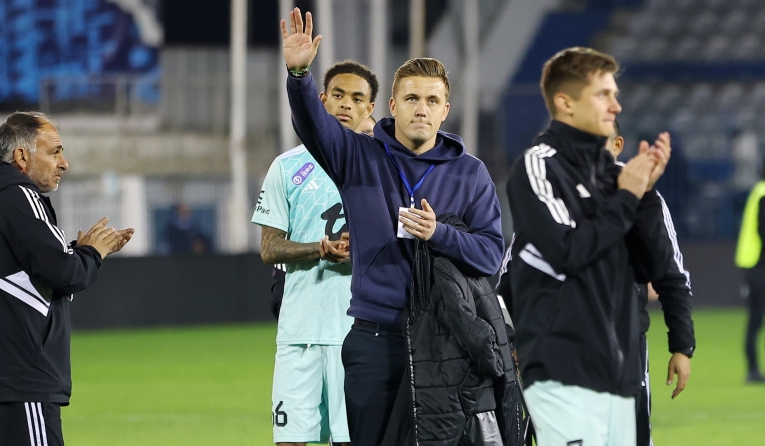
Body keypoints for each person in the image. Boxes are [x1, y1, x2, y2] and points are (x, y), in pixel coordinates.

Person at [279, 9, 505, 445]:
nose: (422, 109)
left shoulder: (470, 172)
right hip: (376, 339)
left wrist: (440, 234)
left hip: (446, 342)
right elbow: (313, 125)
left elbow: (491, 255)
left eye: (432, 101)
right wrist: (300, 75)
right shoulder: (357, 156)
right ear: (393, 105)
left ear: (445, 111)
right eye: (412, 98)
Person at [505, 47, 673, 445]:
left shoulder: (613, 177)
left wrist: (646, 195)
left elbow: (648, 266)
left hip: (617, 373)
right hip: (562, 372)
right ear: (565, 103)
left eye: (615, 94)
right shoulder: (538, 166)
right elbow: (567, 251)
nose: (616, 105)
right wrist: (628, 198)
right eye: (603, 94)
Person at [0, 111, 134, 445]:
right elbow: (62, 273)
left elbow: (21, 273)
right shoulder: (20, 196)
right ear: (22, 156)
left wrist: (77, 251)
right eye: (55, 152)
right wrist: (92, 253)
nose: (64, 163)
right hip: (21, 383)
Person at [252, 59, 380, 446]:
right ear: (322, 100)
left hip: (358, 333)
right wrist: (318, 251)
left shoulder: (383, 167)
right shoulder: (286, 166)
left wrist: (359, 254)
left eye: (356, 98)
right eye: (338, 95)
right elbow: (269, 248)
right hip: (299, 332)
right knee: (289, 440)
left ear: (370, 108)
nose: (346, 104)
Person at [606, 121, 695, 445]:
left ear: (617, 146)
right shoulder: (551, 190)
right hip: (562, 346)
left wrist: (682, 346)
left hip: (626, 345)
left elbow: (672, 275)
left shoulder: (644, 194)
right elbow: (517, 267)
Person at [267, 114, 378, 321]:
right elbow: (270, 248)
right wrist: (320, 249)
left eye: (368, 135)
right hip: (308, 310)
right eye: (353, 135)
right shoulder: (293, 168)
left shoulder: (388, 180)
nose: (359, 142)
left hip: (369, 311)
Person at [736, 161, 765, 383]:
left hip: (752, 264)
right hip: (759, 265)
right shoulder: (763, 194)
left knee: (755, 318)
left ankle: (752, 369)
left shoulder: (758, 191)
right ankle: (753, 370)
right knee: (756, 318)